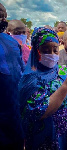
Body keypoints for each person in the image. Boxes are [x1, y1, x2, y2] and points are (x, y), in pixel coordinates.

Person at [18, 27, 67, 150]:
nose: (52, 54)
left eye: (55, 50)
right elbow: (39, 111)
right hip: (49, 139)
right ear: (36, 51)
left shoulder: (63, 70)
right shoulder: (30, 80)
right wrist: (66, 86)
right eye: (45, 50)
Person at [0, 3, 24, 150]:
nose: (2, 19)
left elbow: (20, 75)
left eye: (3, 16)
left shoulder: (12, 43)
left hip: (13, 116)